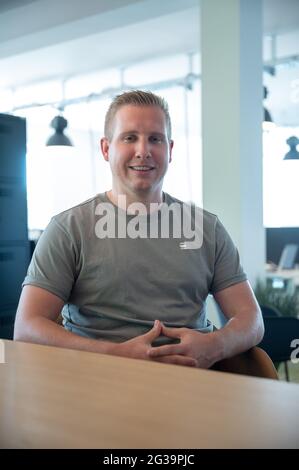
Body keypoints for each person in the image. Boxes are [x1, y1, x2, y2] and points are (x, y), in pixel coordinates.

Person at [14, 90, 264, 369]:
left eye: (155, 139)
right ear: (106, 149)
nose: (143, 151)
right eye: (129, 137)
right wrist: (113, 354)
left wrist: (214, 346)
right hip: (97, 385)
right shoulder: (68, 228)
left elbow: (251, 319)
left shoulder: (207, 229)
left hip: (192, 385)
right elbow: (27, 328)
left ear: (170, 149)